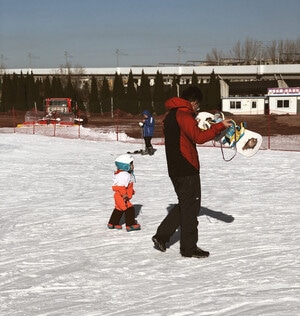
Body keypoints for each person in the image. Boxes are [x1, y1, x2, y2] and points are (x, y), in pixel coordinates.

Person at [152, 86, 232, 258]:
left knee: (185, 204)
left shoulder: (170, 116)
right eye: (197, 105)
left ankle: (161, 236)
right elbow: (199, 137)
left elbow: (185, 136)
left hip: (174, 168)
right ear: (194, 102)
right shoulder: (184, 115)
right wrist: (218, 127)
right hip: (187, 168)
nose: (197, 109)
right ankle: (188, 248)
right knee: (190, 209)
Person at [108, 154, 141, 232]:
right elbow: (121, 186)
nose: (133, 166)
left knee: (118, 209)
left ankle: (112, 223)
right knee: (129, 209)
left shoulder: (121, 174)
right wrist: (124, 194)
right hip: (121, 196)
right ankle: (130, 225)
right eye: (131, 164)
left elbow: (126, 186)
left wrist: (131, 191)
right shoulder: (124, 175)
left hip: (119, 195)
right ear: (125, 166)